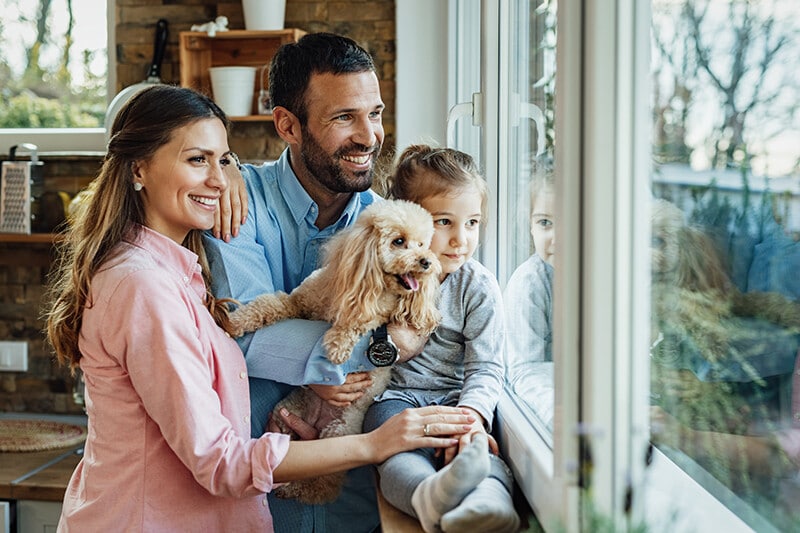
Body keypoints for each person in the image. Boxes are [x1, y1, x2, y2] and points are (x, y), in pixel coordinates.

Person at [43, 85, 475, 532]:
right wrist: (373, 444)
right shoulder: (142, 286)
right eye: (197, 160)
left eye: (223, 160)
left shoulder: (178, 269)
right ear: (139, 169)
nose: (218, 180)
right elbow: (219, 460)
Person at [203, 32, 427, 531]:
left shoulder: (389, 225)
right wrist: (379, 349)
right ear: (288, 124)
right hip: (257, 494)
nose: (369, 136)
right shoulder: (238, 204)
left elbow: (426, 318)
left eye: (376, 113)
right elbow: (245, 335)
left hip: (356, 506)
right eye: (344, 117)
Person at [363, 145, 521, 533]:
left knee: (481, 450)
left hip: (455, 400)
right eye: (444, 222)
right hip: (397, 401)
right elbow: (361, 338)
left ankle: (489, 503)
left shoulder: (478, 287)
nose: (460, 240)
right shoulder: (388, 277)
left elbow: (486, 365)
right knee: (395, 458)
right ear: (410, 219)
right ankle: (427, 495)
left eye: (472, 223)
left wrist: (471, 418)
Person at [503, 166, 555, 428]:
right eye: (545, 223)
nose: (557, 238)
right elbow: (525, 369)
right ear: (530, 226)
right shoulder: (530, 284)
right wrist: (557, 416)